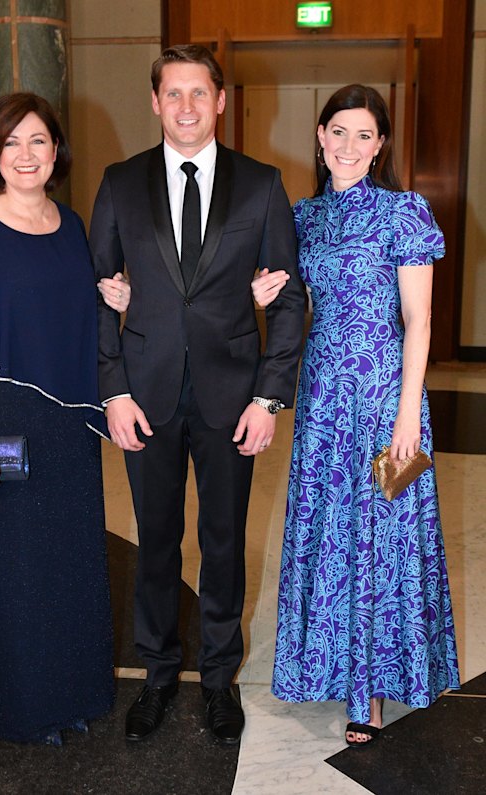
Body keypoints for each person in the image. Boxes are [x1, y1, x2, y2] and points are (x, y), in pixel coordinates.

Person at [89, 45, 305, 744]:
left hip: (231, 397)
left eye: (198, 93)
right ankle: (156, 674)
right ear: (154, 102)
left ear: (220, 100)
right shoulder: (119, 183)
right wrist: (113, 390)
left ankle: (218, 679)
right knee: (155, 542)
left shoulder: (262, 185)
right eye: (171, 93)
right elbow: (94, 297)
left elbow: (292, 300)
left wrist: (268, 398)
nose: (185, 106)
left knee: (221, 541)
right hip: (144, 399)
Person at [252, 84, 459, 746]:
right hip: (323, 403)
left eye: (364, 135)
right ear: (319, 135)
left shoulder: (404, 213)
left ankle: (371, 689)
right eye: (338, 131)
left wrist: (407, 417)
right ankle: (328, 670)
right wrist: (260, 293)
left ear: (381, 146)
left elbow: (419, 321)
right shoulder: (302, 217)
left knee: (379, 536)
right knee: (331, 535)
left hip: (382, 398)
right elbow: (286, 302)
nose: (348, 145)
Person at [0, 93, 129, 745]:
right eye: (10, 142)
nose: (24, 154)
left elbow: (78, 309)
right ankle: (33, 708)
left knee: (73, 562)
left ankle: (80, 692)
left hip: (69, 427)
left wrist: (111, 295)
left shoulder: (71, 226)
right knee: (22, 571)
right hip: (7, 420)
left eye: (37, 140)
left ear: (56, 151)